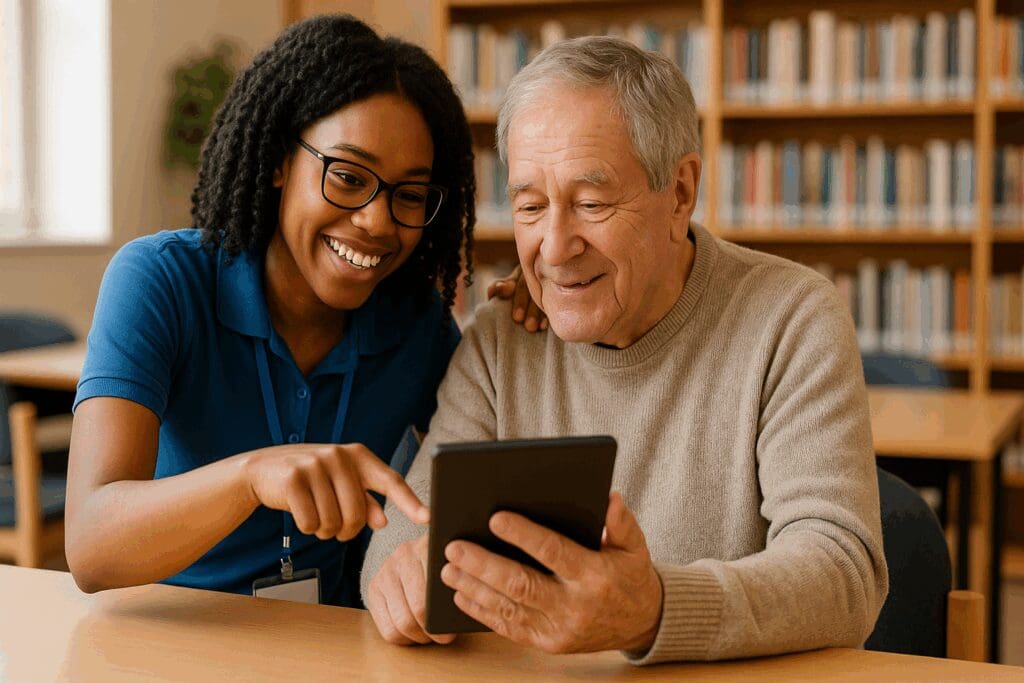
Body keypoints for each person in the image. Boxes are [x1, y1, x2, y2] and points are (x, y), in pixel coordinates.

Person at [361, 36, 888, 664]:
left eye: (591, 203)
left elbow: (843, 572)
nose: (554, 248)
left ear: (681, 193)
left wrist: (654, 611)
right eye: (530, 206)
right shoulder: (501, 340)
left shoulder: (792, 319)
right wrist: (401, 579)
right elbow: (403, 530)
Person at [66, 14, 489, 607]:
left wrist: (546, 302)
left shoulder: (419, 326)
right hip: (167, 635)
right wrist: (252, 476)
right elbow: (90, 546)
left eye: (410, 195)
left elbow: (484, 474)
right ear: (278, 162)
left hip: (327, 642)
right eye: (348, 177)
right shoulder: (160, 280)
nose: (376, 221)